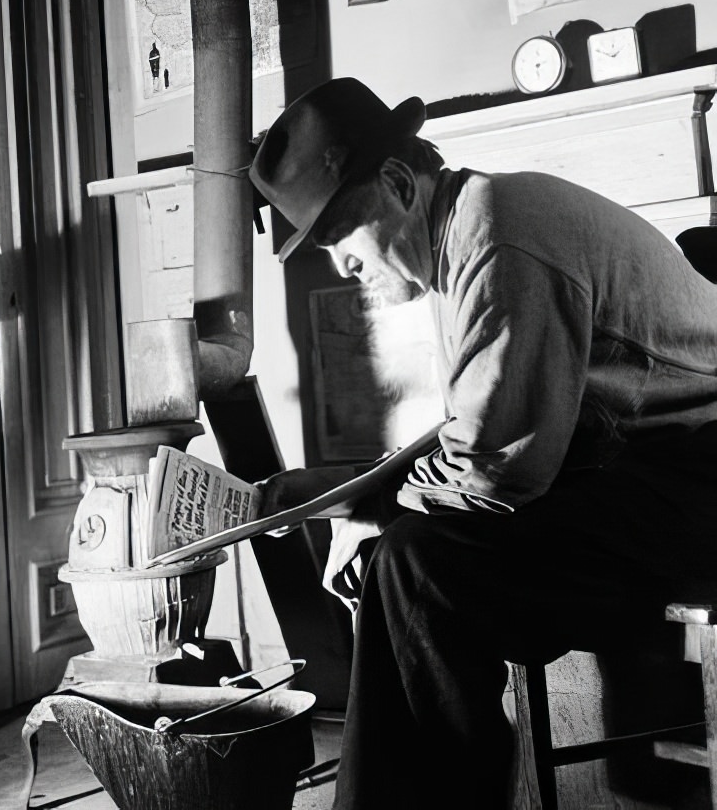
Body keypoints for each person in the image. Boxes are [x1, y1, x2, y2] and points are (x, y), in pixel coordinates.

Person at [248, 77, 717, 809]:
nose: (340, 263)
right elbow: (485, 434)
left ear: (399, 181)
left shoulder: (500, 235)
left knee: (417, 564)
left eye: (341, 233)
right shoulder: (468, 234)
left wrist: (378, 505)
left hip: (697, 481)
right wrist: (368, 497)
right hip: (639, 478)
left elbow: (499, 471)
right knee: (406, 557)